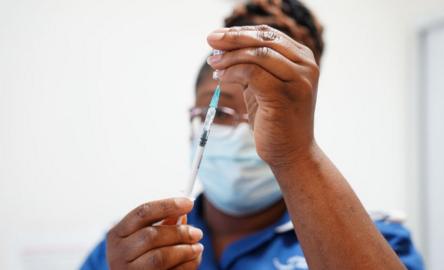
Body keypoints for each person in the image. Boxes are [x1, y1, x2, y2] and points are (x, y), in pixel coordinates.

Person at [81, 0, 424, 269]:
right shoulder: (135, 248)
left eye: (269, 113)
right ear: (195, 118)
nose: (250, 133)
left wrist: (294, 154)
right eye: (224, 113)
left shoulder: (376, 241)